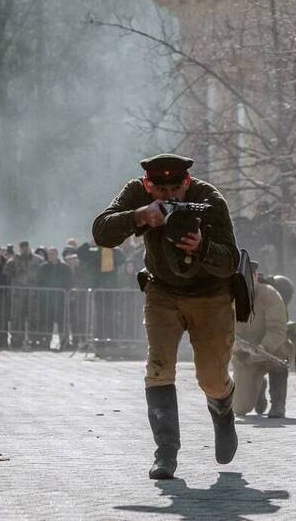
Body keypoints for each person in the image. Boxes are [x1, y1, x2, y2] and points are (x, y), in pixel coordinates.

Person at [93, 153, 240, 480]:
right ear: (148, 184)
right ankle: (166, 453)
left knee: (211, 378)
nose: (170, 196)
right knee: (158, 367)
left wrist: (202, 247)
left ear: (187, 182)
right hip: (162, 291)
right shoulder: (137, 194)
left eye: (177, 187)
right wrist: (140, 216)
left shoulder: (209, 199)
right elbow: (101, 232)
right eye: (161, 189)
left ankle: (223, 409)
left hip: (211, 295)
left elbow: (230, 260)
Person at [232, 262, 295, 418]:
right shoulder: (229, 298)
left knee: (281, 353)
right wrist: (236, 345)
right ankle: (259, 388)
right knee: (240, 408)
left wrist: (263, 347)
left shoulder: (270, 295)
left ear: (255, 277)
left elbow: (278, 329)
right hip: (244, 355)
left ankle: (278, 404)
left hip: (270, 350)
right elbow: (221, 330)